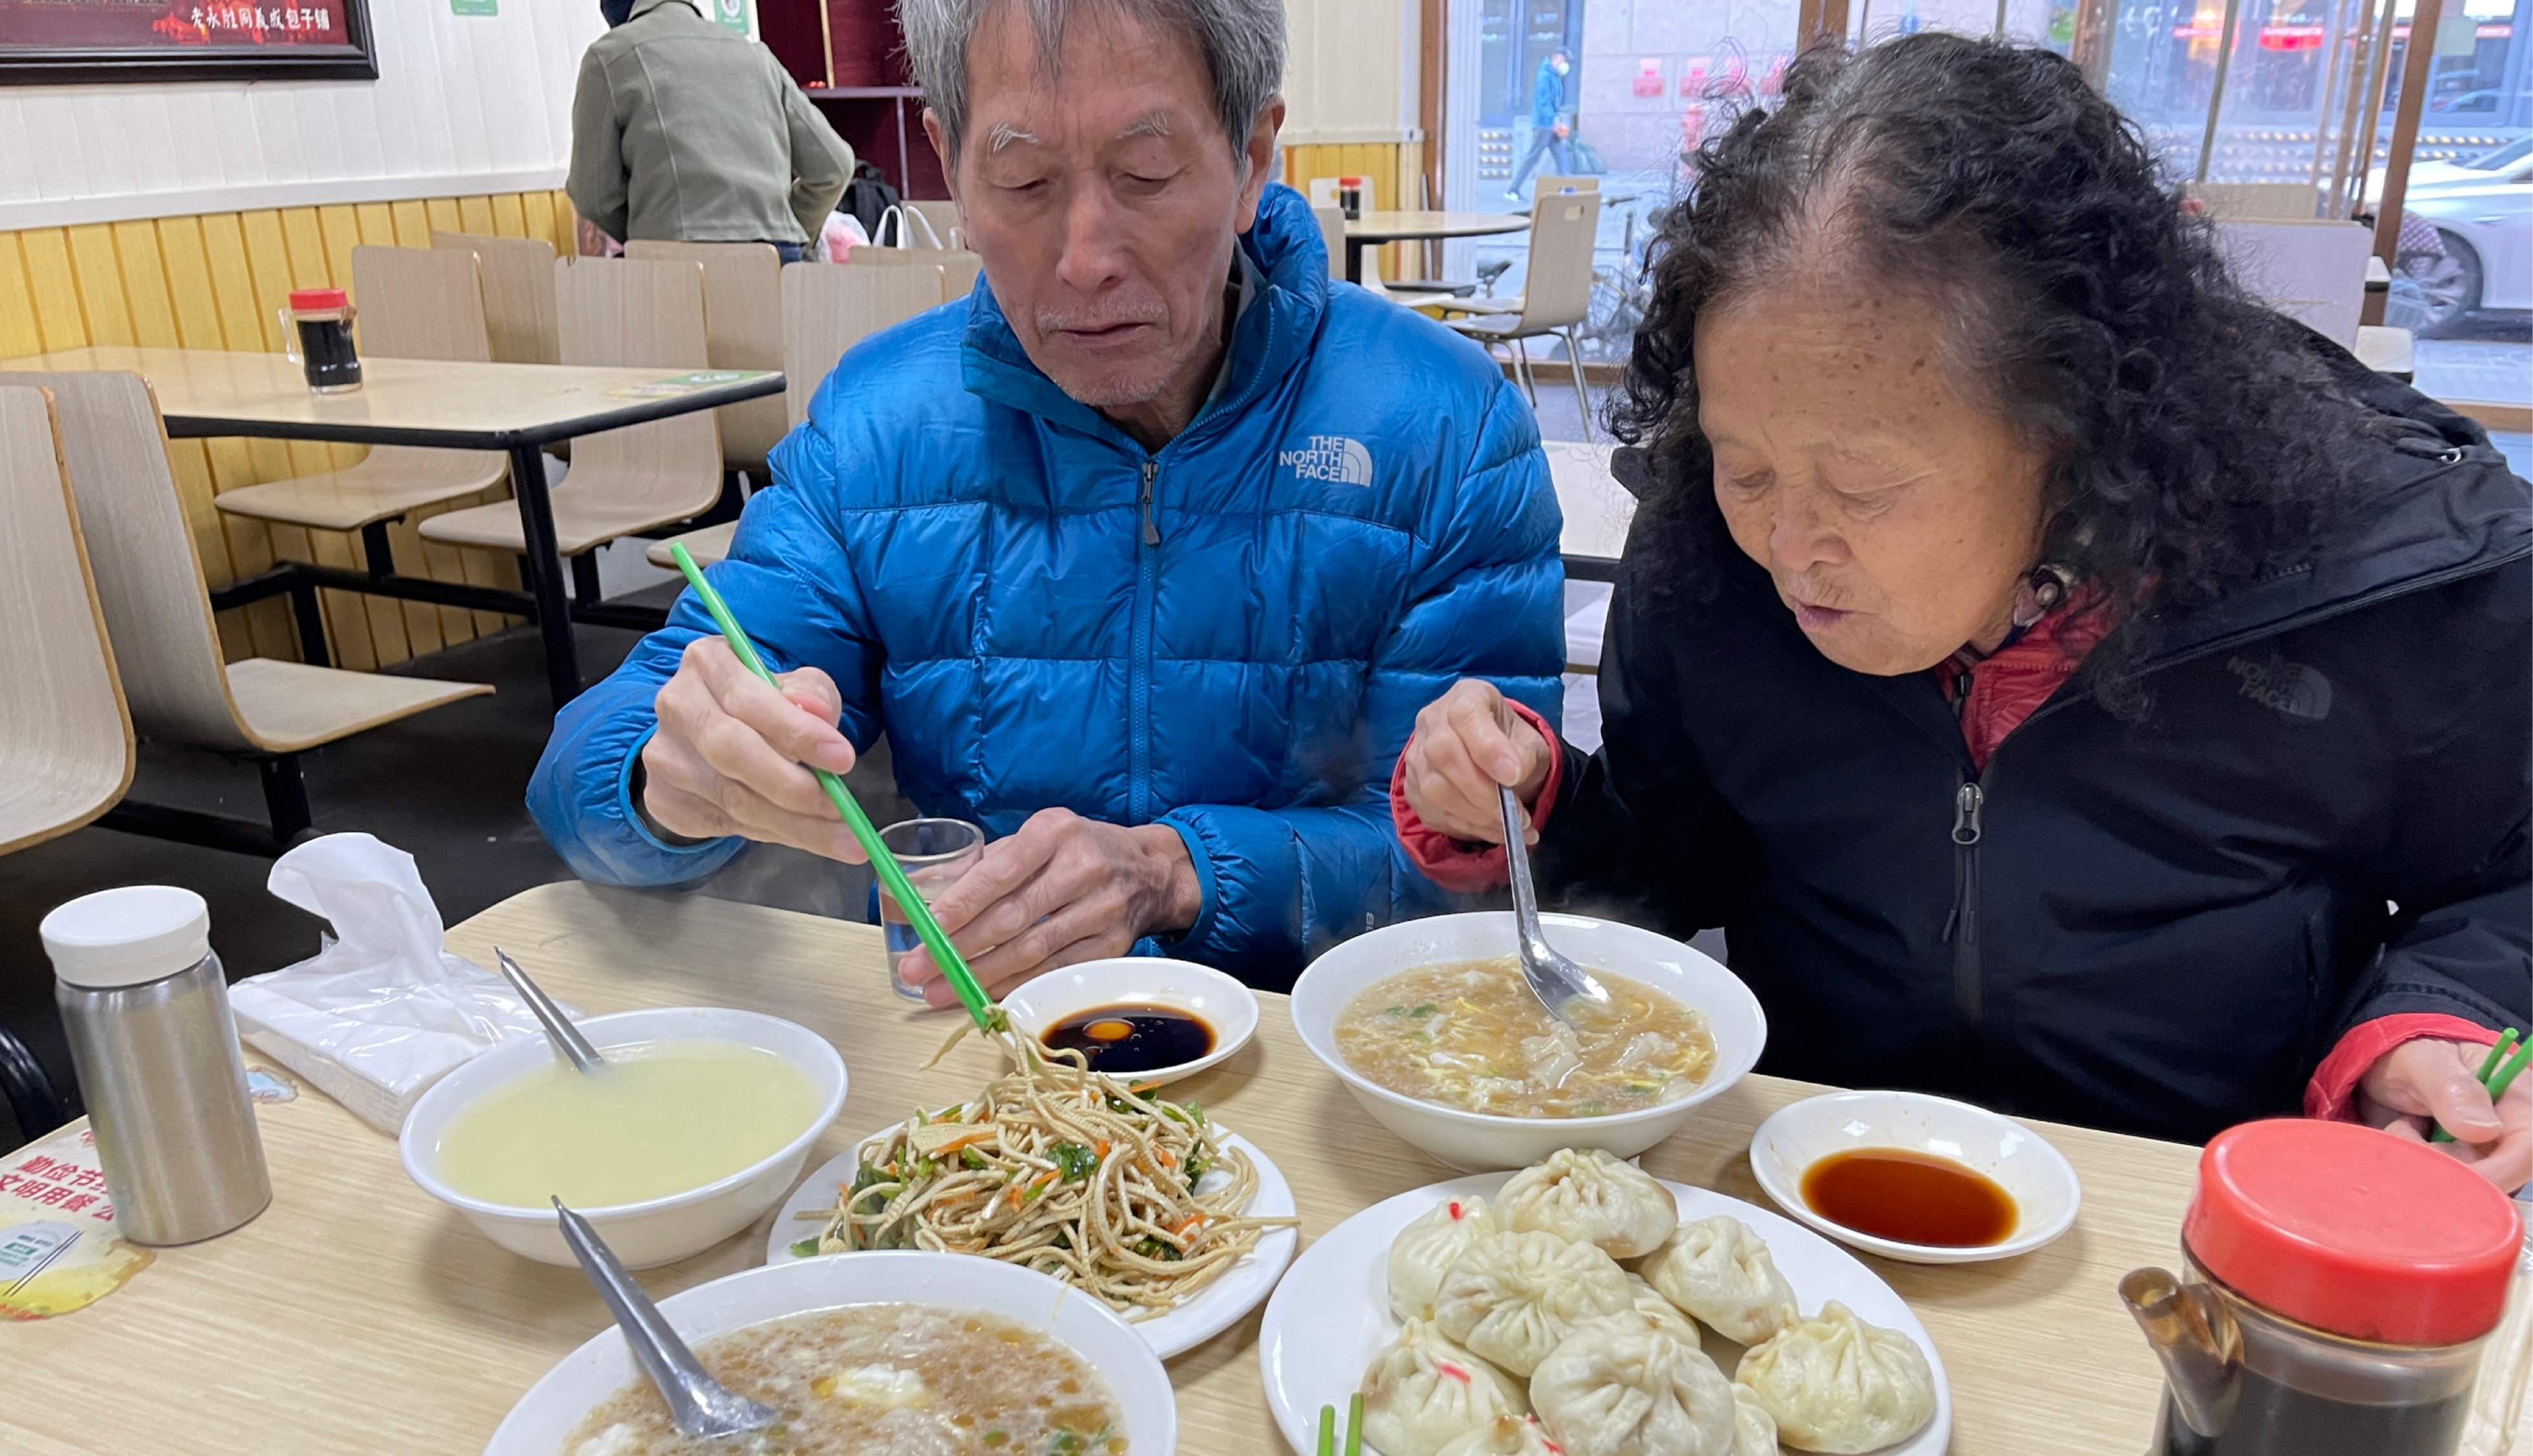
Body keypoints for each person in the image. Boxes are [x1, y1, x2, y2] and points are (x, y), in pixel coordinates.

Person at [1395, 36, 2532, 1188]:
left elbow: (2509, 876)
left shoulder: (2365, 560)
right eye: (1749, 469)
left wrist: (2435, 1017)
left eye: (1862, 487)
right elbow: (1670, 863)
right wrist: (1534, 803)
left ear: (2074, 420)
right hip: (1813, 1177)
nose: (1789, 551)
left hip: (2199, 1204)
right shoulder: (1704, 546)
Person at [529, 0, 1561, 995]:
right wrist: (666, 784)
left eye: (1146, 172)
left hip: (1319, 1070)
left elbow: (1469, 872)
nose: (1084, 260)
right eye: (1021, 181)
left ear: (1251, 159)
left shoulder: (1442, 427)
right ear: (950, 166)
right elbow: (594, 761)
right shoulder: (881, 427)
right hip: (980, 1070)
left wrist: (1176, 872)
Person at [567, 0, 855, 264]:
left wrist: (648, 232)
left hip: (675, 264)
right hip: (775, 259)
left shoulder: (608, 57)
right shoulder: (756, 55)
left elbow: (592, 196)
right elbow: (836, 166)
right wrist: (787, 230)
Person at [1505, 48, 1575, 201]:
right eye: (1565, 61)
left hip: (1551, 124)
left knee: (1560, 156)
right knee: (1533, 157)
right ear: (1556, 58)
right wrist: (1554, 120)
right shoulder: (1545, 75)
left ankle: (1569, 188)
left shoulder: (1554, 76)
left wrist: (1555, 120)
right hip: (1544, 125)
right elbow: (1544, 102)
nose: (1566, 65)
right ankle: (1513, 190)